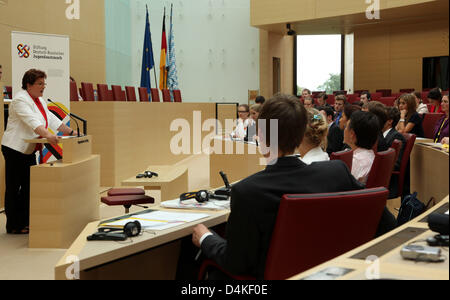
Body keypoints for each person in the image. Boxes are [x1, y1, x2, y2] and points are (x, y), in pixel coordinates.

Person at [192, 94, 363, 279]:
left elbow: (236, 264)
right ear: (300, 136)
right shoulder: (337, 172)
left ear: (262, 136)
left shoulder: (247, 191)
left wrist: (205, 238)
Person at [1, 69, 77, 235]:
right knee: (14, 188)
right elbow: (32, 122)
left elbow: (51, 119)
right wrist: (49, 135)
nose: (43, 87)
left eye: (44, 83)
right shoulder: (20, 100)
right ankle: (13, 225)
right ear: (28, 85)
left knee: (29, 187)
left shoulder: (39, 101)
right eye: (40, 83)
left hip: (28, 149)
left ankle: (25, 221)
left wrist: (71, 133)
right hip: (14, 149)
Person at [343, 111, 380, 184]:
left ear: (352, 134)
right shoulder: (370, 154)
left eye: (346, 127)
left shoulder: (355, 161)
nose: (344, 130)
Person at [383, 106, 406, 171]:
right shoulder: (379, 134)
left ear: (389, 121)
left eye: (381, 117)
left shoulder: (397, 136)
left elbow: (396, 164)